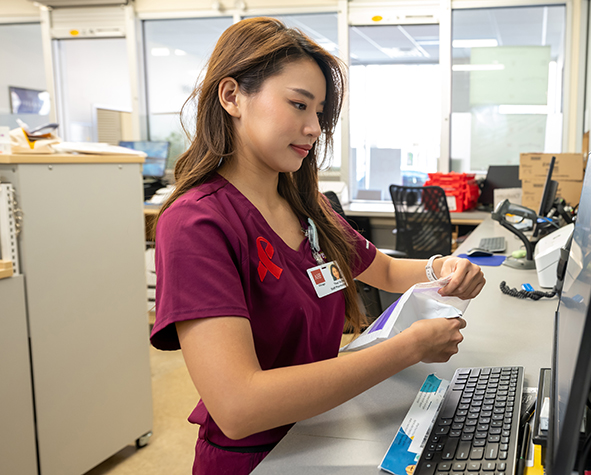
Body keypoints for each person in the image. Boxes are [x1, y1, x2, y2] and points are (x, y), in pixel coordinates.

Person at [149, 17, 486, 475]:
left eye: (320, 113)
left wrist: (441, 268)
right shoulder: (196, 223)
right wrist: (408, 348)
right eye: (298, 105)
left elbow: (384, 272)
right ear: (232, 97)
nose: (314, 128)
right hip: (257, 458)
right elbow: (238, 405)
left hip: (322, 427)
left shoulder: (306, 209)